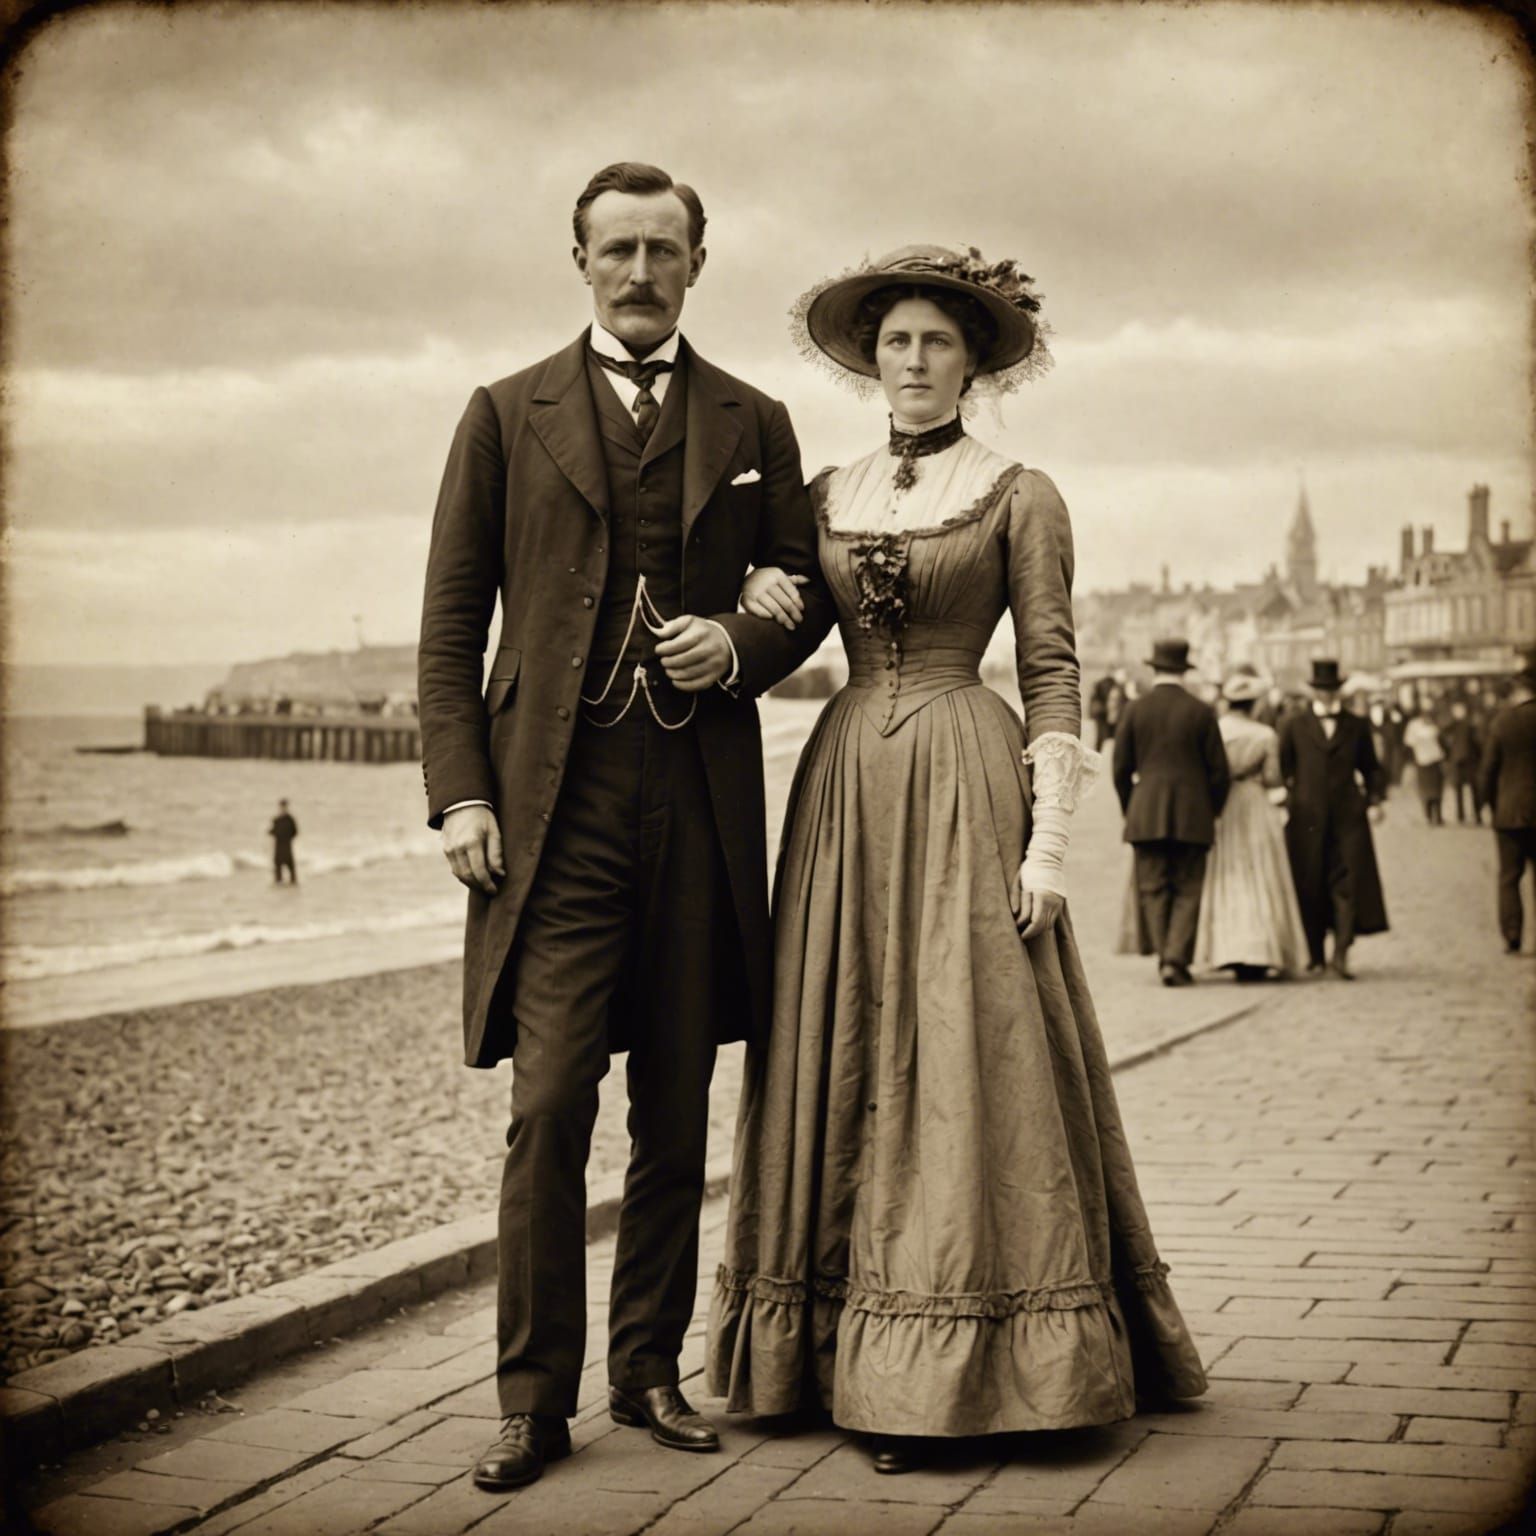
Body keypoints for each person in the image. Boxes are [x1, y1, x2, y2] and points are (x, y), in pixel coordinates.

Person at [704, 245, 1206, 1473]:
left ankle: (954, 1376)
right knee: (840, 1041)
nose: (915, 362)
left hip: (964, 780)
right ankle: (823, 1355)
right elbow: (783, 634)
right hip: (845, 788)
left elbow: (1050, 670)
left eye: (937, 342)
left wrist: (1046, 848)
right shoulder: (829, 491)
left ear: (974, 362)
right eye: (896, 343)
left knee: (958, 1051)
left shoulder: (1019, 493)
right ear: (871, 362)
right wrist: (721, 637)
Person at [417, 162, 832, 1492]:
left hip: (699, 805)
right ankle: (531, 1399)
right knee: (547, 1107)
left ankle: (648, 1370)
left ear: (697, 264)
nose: (641, 271)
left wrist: (742, 638)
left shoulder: (755, 417)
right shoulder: (501, 413)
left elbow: (805, 589)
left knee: (675, 1105)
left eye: (665, 249)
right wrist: (460, 790)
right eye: (618, 250)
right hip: (554, 811)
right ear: (581, 260)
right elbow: (449, 620)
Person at [1113, 638, 1231, 985]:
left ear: (1154, 668)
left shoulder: (1135, 709)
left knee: (1152, 888)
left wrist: (1130, 808)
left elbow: (1120, 769)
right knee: (1188, 888)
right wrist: (1212, 810)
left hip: (1145, 813)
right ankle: (1175, 959)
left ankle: (1166, 955)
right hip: (1193, 815)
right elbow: (1219, 772)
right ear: (1184, 670)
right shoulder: (1201, 710)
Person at [1192, 671, 1307, 980]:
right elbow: (1272, 777)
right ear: (1253, 704)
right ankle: (1261, 949)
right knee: (1260, 871)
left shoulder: (1216, 730)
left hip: (1224, 804)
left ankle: (1229, 949)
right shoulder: (1265, 735)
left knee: (1228, 872)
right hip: (1254, 802)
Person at [1278, 658, 1389, 979]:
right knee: (1309, 882)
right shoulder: (1294, 725)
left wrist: (1375, 800)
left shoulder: (1357, 725)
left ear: (1339, 691)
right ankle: (1314, 954)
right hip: (1305, 819)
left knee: (1348, 882)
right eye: (1321, 691)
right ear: (1313, 692)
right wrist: (1285, 801)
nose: (1327, 696)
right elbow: (1284, 768)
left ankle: (1341, 953)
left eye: (1332, 690)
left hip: (1348, 817)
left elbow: (1371, 768)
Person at [1479, 653, 1536, 954]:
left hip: (1509, 812)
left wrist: (1489, 805)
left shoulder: (1502, 722)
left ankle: (1512, 936)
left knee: (1509, 877)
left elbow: (1488, 770)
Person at [1443, 700, 1484, 825]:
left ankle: (1472, 815)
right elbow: (1478, 743)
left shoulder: (1467, 726)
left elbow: (1477, 742)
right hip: (1464, 761)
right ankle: (1468, 815)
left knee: (1471, 789)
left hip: (1465, 761)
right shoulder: (1456, 726)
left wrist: (1448, 753)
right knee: (1465, 789)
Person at [1403, 709, 1446, 824]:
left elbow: (1409, 744)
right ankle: (1432, 816)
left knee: (1431, 791)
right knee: (1431, 791)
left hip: (1428, 761)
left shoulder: (1428, 727)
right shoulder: (1419, 727)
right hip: (1427, 762)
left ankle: (1434, 816)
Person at [269, 800, 298, 885]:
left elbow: (295, 832)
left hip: (287, 846)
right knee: (278, 866)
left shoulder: (290, 819)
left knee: (290, 866)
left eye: (284, 806)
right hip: (278, 846)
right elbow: (272, 831)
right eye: (281, 807)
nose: (283, 808)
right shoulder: (276, 820)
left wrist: (288, 837)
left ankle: (292, 883)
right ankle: (278, 882)